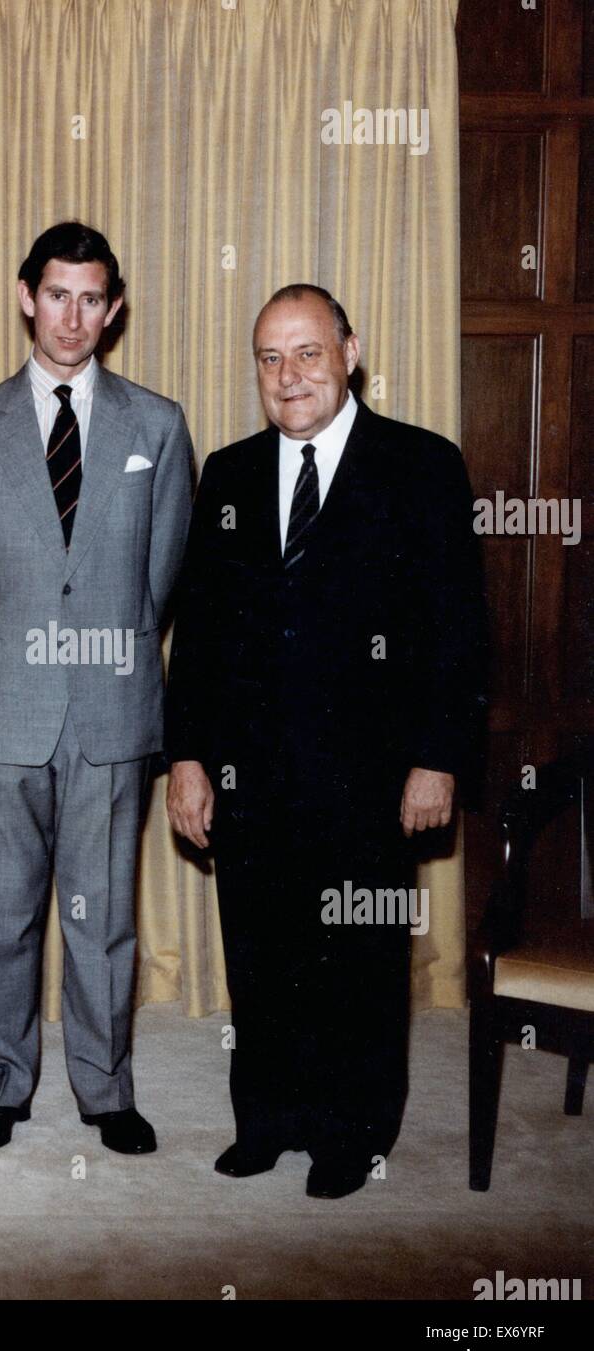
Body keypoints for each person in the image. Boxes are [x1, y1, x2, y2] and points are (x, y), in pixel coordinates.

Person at [165, 284, 486, 1198]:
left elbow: (458, 628)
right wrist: (186, 759)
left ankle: (351, 1134)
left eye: (306, 352)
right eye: (269, 358)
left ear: (349, 351)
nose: (287, 375)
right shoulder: (227, 473)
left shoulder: (420, 465)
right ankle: (266, 1119)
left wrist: (438, 759)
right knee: (261, 952)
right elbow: (201, 632)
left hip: (372, 775)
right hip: (250, 773)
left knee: (357, 960)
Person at [0, 223, 193, 1154]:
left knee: (104, 919)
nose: (72, 317)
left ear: (112, 308)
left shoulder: (156, 426)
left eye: (91, 299)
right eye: (56, 295)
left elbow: (163, 575)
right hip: (5, 709)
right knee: (1, 918)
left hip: (112, 711)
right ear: (24, 297)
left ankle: (106, 1090)